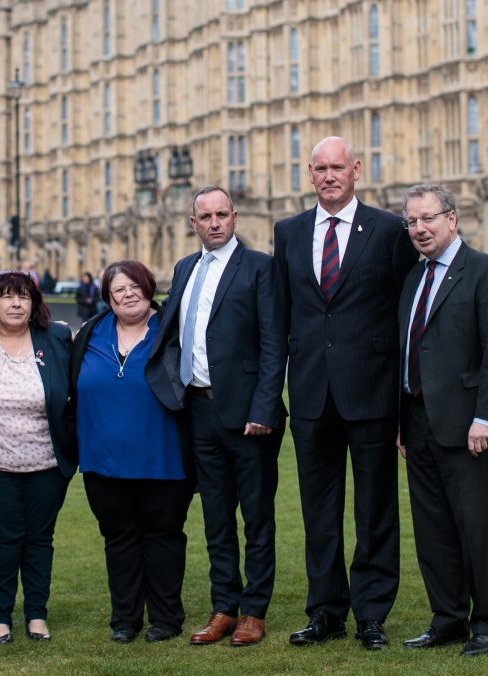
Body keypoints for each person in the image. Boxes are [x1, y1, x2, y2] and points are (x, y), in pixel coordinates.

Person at [273, 136, 417, 649]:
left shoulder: (387, 230)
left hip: (372, 394)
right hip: (311, 395)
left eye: (339, 167)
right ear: (309, 174)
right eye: (320, 168)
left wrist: (405, 402)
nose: (330, 175)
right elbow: (281, 316)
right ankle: (326, 610)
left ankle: (371, 613)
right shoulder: (288, 233)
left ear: (357, 170)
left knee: (376, 509)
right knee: (319, 511)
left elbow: (405, 318)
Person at [148, 186, 287, 647]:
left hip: (249, 417)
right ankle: (225, 606)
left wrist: (265, 407)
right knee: (215, 516)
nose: (214, 222)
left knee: (257, 516)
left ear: (234, 217)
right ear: (193, 222)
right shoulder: (185, 268)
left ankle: (254, 611)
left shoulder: (260, 267)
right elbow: (171, 334)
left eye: (221, 214)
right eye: (205, 216)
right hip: (198, 410)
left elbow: (273, 344)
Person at [396, 184, 488, 657]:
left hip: (471, 426)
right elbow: (411, 352)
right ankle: (446, 619)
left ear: (452, 218)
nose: (420, 229)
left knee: (477, 527)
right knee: (432, 529)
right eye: (412, 221)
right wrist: (402, 423)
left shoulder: (487, 271)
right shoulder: (413, 278)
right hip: (419, 422)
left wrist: (487, 418)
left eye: (428, 218)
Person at [70, 259, 194, 644]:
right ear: (108, 298)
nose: (128, 294)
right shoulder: (91, 332)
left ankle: (166, 618)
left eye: (134, 286)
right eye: (118, 289)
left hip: (163, 456)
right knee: (119, 539)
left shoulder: (172, 330)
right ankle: (125, 619)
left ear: (149, 287)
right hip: (103, 460)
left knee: (163, 538)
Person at [0, 272, 75, 646]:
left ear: (34, 305)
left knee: (39, 540)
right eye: (8, 297)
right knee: (3, 539)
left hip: (47, 463)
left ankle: (36, 614)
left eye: (24, 297)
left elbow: (80, 386)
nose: (16, 304)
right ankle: (0, 618)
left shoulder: (57, 338)